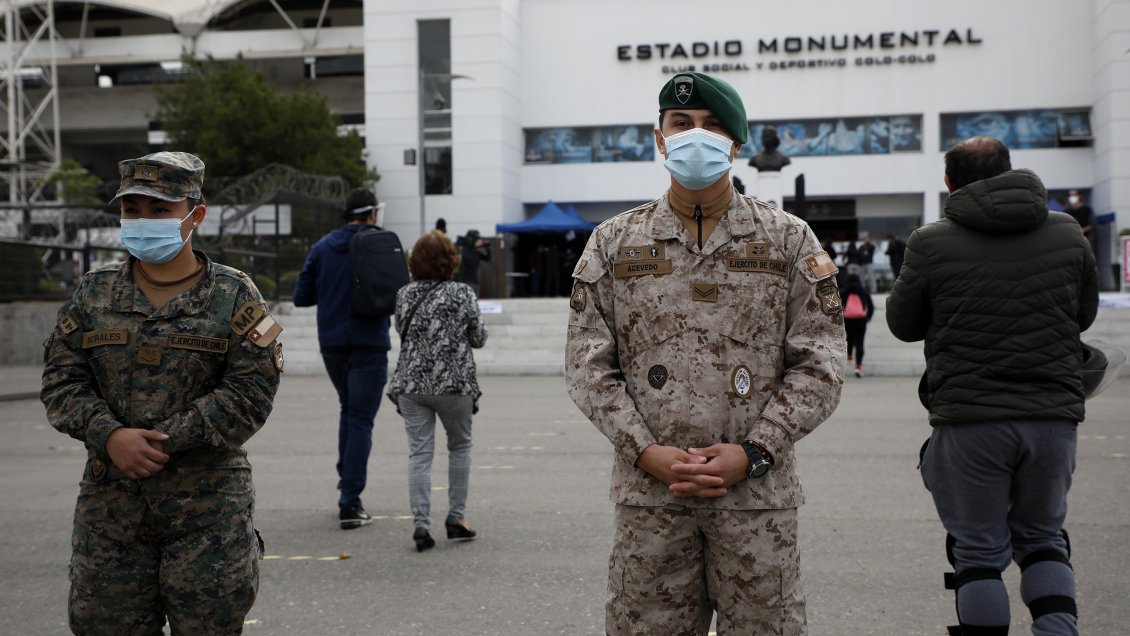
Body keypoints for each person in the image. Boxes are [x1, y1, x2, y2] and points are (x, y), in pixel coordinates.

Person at [565, 71, 846, 635]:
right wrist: (644, 451)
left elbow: (821, 363)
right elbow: (587, 366)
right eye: (682, 123)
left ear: (736, 144)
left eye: (713, 126)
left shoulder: (788, 240)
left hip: (756, 500)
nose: (697, 135)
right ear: (660, 138)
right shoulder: (616, 243)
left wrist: (756, 450)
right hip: (652, 500)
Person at [40, 151, 283, 634]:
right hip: (111, 512)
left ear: (195, 214)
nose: (142, 221)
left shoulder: (236, 295)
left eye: (159, 210)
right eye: (132, 210)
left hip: (208, 511)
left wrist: (159, 441)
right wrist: (109, 435)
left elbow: (251, 391)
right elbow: (61, 380)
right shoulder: (94, 293)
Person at [886, 136, 1098, 635]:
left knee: (978, 553)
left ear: (948, 182)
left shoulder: (931, 241)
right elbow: (1083, 315)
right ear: (1009, 170)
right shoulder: (1068, 233)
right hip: (1052, 417)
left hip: (970, 419)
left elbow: (902, 323)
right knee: (1044, 539)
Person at [293, 188, 391, 530]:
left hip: (332, 343)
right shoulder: (380, 242)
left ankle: (346, 483)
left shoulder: (322, 247)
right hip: (370, 343)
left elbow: (301, 297)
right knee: (360, 418)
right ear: (372, 215)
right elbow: (398, 291)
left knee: (348, 411)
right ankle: (350, 500)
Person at [387, 230, 488, 552]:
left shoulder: (404, 293)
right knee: (459, 448)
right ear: (451, 260)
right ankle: (456, 519)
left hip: (412, 384)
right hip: (453, 383)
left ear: (414, 261)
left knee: (419, 454)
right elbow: (478, 338)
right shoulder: (462, 292)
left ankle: (420, 524)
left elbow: (400, 328)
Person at [839, 274, 874, 378]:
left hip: (847, 319)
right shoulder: (863, 291)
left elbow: (837, 305)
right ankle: (858, 367)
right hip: (860, 319)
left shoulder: (844, 291)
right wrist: (868, 317)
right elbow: (871, 305)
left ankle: (849, 356)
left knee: (848, 337)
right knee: (860, 341)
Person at [457, 229, 490, 295]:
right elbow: (471, 262)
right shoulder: (465, 250)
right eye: (476, 239)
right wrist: (476, 248)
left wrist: (487, 247)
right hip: (466, 281)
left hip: (475, 282)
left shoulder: (475, 251)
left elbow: (488, 258)